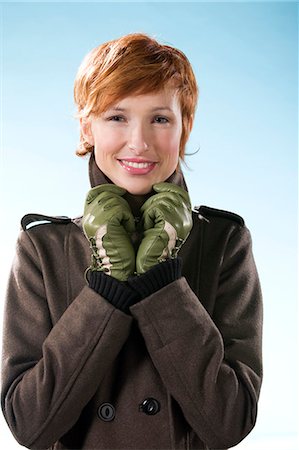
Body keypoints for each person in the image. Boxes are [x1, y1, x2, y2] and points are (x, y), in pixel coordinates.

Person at [1, 33, 263, 450]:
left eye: (160, 119)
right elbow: (29, 425)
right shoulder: (43, 248)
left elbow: (228, 424)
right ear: (88, 126)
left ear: (185, 127)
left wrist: (163, 282)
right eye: (116, 117)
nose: (139, 142)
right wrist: (106, 287)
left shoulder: (223, 242)